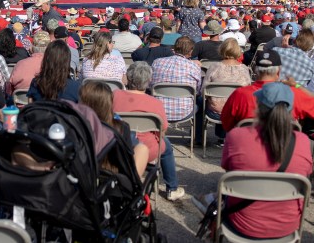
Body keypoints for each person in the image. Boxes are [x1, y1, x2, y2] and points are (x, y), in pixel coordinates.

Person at [219, 82, 313, 240]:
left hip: (242, 224)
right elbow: (306, 173)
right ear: (290, 109)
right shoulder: (304, 142)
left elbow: (227, 168)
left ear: (259, 106)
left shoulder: (237, 136)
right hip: (287, 226)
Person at [113, 62, 185, 201]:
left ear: (128, 77)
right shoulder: (154, 103)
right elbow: (162, 129)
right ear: (149, 80)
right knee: (167, 147)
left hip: (119, 143)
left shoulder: (115, 95)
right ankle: (172, 189)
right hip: (147, 148)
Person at [221, 49, 314, 132]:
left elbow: (227, 125)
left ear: (256, 71)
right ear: (278, 71)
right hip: (284, 151)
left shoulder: (240, 94)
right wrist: (297, 85)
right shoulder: (293, 93)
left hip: (248, 149)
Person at [79, 80, 148, 177]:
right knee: (142, 148)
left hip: (83, 177)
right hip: (112, 179)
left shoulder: (76, 127)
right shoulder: (121, 128)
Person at [198, 38, 252, 144]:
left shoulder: (214, 67)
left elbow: (203, 90)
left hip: (215, 111)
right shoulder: (244, 69)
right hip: (236, 112)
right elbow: (248, 91)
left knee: (201, 100)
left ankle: (199, 137)